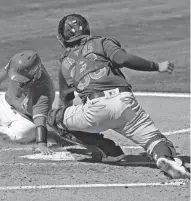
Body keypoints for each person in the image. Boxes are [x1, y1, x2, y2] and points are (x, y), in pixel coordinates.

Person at [47, 14, 190, 179]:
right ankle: (165, 158)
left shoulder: (64, 64)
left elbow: (65, 100)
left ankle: (108, 150)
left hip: (94, 113)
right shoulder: (102, 42)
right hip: (126, 109)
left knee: (54, 117)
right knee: (154, 139)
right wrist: (157, 66)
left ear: (63, 38)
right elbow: (122, 59)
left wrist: (69, 130)